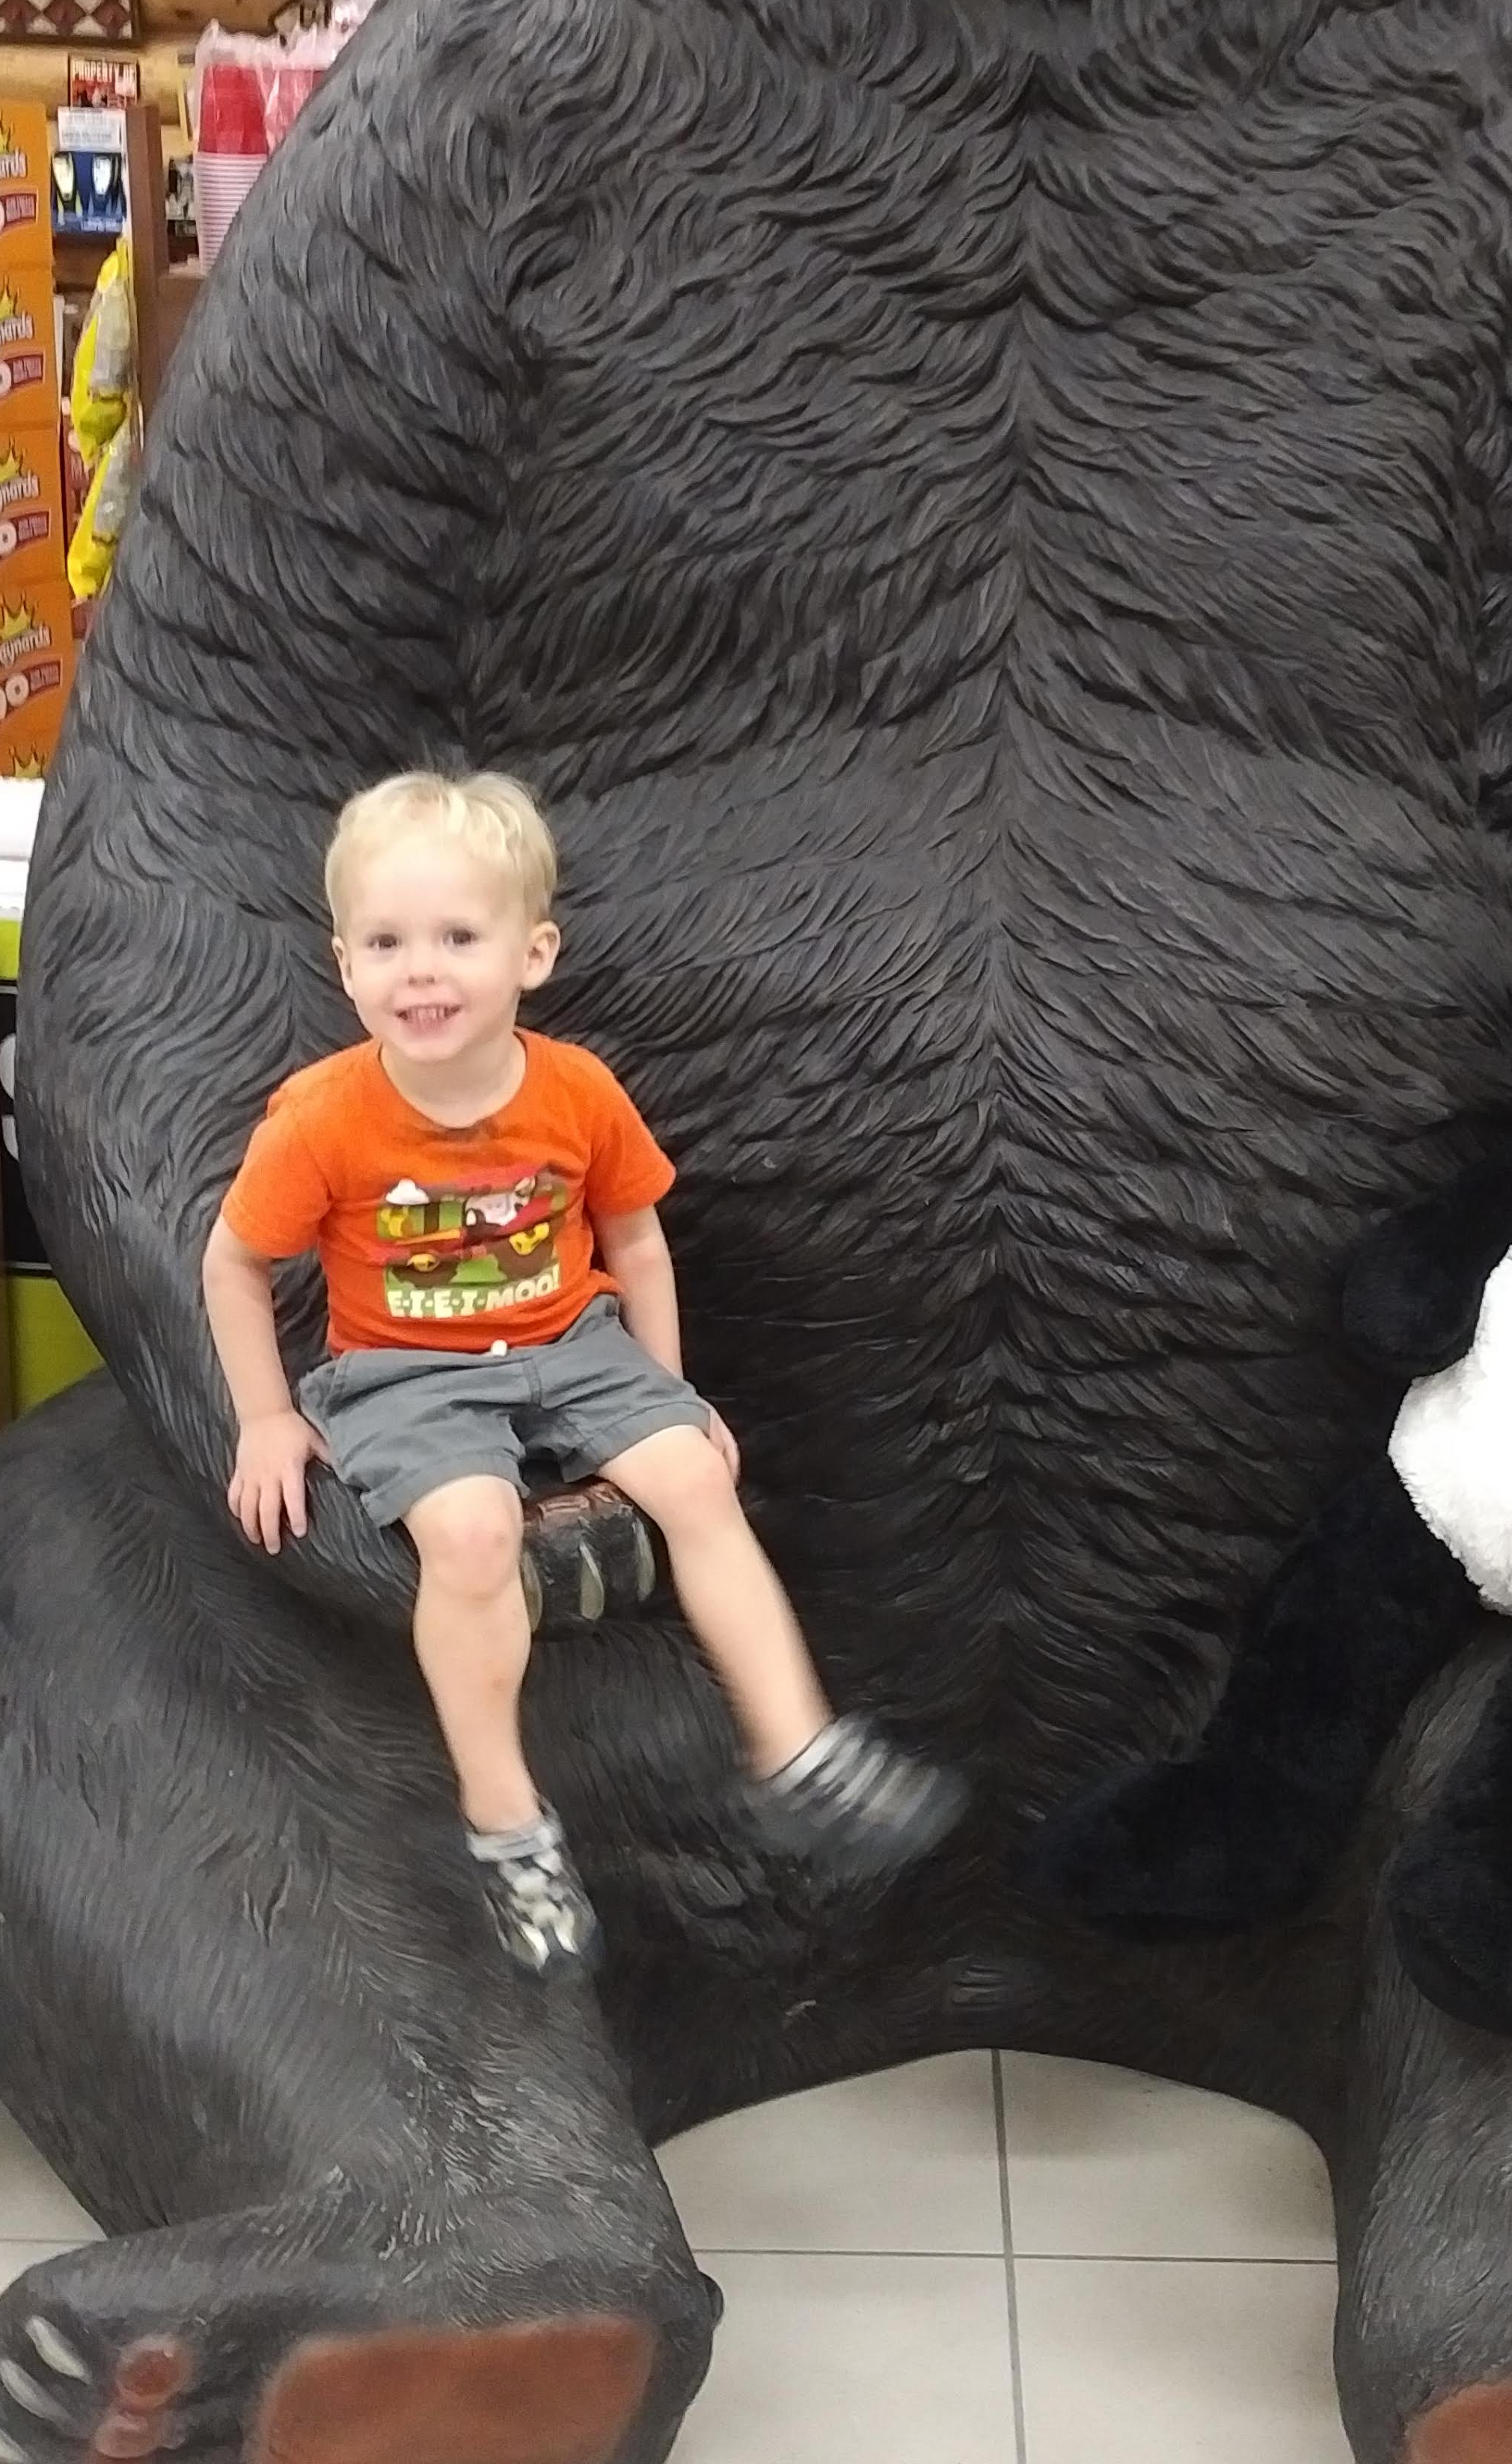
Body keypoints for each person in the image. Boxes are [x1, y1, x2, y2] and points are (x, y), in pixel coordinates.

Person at [202, 768, 963, 1971]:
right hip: (407, 1372)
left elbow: (638, 1241)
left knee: (696, 1477)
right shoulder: (324, 1118)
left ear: (533, 952)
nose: (421, 971)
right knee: (471, 1535)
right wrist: (263, 1415)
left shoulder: (577, 1090)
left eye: (458, 937)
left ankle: (797, 1750)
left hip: (572, 1346)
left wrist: (668, 1391)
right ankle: (507, 1821)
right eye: (387, 943)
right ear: (345, 966)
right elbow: (235, 1261)